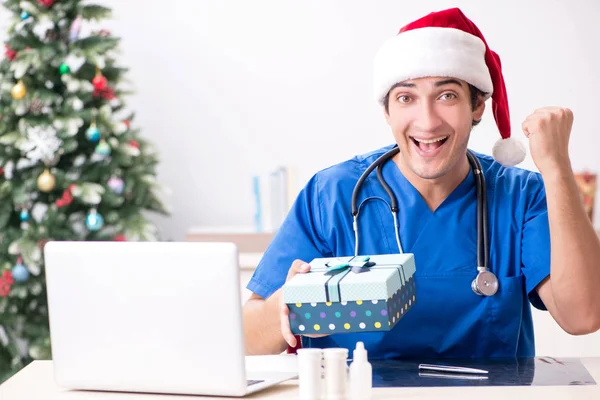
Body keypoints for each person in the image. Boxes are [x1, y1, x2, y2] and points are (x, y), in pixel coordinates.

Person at [242, 7, 600, 359]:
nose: (427, 122)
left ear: (477, 106)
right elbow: (248, 340)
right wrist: (290, 304)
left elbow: (583, 316)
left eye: (447, 96)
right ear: (387, 111)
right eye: (406, 97)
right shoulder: (332, 195)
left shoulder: (521, 195)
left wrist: (556, 168)